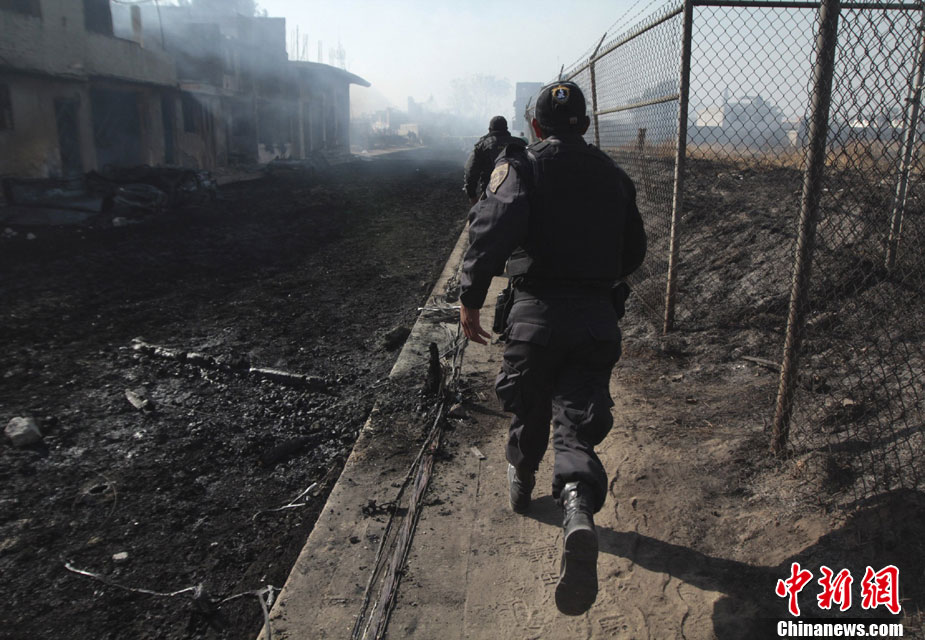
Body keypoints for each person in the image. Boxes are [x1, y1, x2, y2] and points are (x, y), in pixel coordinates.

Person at [458, 81, 647, 616]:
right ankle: (578, 506)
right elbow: (633, 250)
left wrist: (471, 297)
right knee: (578, 414)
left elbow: (491, 230)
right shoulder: (614, 176)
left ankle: (522, 477)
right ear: (584, 126)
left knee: (528, 399)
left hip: (535, 315)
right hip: (595, 319)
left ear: (535, 126)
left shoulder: (523, 167)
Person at [462, 116, 526, 205]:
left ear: (489, 129)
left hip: (491, 198)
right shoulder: (521, 144)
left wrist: (472, 196)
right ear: (506, 129)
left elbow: (471, 172)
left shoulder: (482, 146)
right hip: (520, 197)